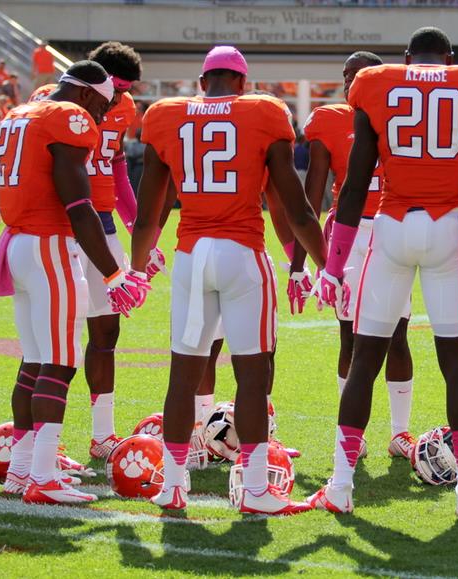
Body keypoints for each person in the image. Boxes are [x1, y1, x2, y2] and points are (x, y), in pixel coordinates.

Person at [305, 27, 458, 517]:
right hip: (448, 226)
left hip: (391, 226)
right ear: (450, 56)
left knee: (363, 359)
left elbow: (353, 189)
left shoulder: (377, 84)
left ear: (406, 57)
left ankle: (340, 485)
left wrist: (333, 267)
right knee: (456, 364)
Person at [130, 46, 328, 514]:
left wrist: (135, 272)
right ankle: (255, 488)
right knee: (252, 377)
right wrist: (327, 266)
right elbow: (296, 207)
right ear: (242, 82)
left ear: (203, 82)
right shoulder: (263, 112)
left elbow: (147, 217)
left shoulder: (165, 115)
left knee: (183, 373)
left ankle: (173, 485)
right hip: (242, 254)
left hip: (191, 256)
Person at [0, 61, 146, 503]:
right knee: (59, 363)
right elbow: (80, 206)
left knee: (35, 361)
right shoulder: (70, 117)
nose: (102, 115)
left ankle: (21, 470)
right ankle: (42, 475)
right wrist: (114, 275)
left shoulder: (23, 112)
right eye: (101, 104)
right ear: (85, 94)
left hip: (18, 242)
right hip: (48, 245)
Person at [30, 42, 149, 459]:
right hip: (61, 222)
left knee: (106, 330)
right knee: (49, 341)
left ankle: (102, 435)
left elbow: (115, 163)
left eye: (124, 90)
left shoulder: (124, 106)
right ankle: (43, 442)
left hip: (102, 222)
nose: (116, 99)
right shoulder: (50, 100)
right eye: (113, 88)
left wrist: (135, 223)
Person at [298, 51, 418, 459]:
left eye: (359, 75)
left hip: (391, 228)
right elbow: (311, 193)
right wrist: (300, 260)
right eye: (346, 74)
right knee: (350, 335)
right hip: (348, 236)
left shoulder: (401, 111)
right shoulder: (328, 119)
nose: (350, 82)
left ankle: (400, 432)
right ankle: (353, 432)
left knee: (397, 333)